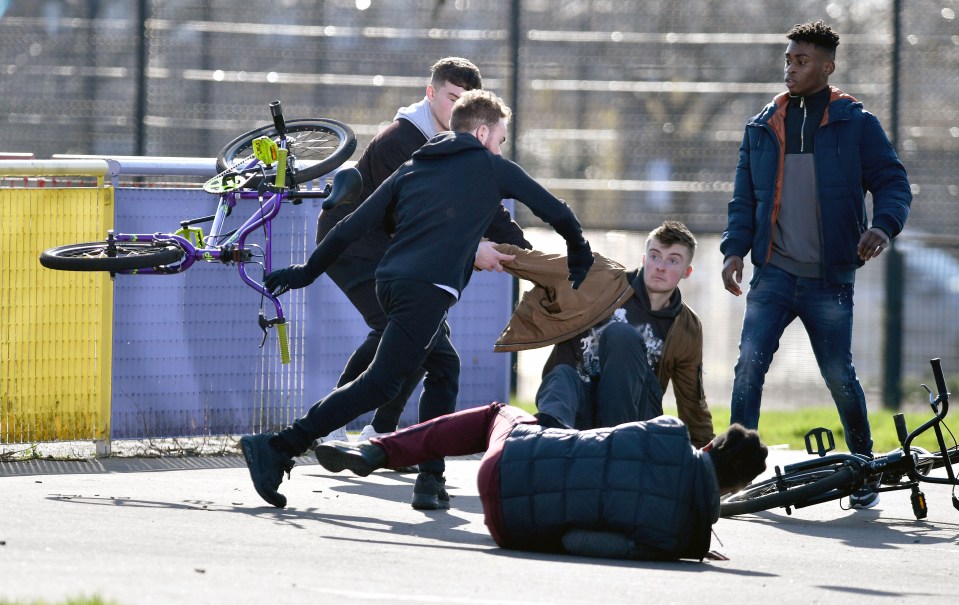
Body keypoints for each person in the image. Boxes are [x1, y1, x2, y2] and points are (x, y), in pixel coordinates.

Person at [240, 89, 594, 509]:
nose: (500, 146)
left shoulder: (415, 165)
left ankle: (430, 480)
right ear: (482, 133)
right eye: (500, 138)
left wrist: (305, 272)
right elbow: (557, 211)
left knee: (444, 367)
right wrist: (580, 254)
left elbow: (351, 226)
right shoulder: (491, 167)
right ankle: (279, 446)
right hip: (425, 291)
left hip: (390, 282)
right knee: (380, 383)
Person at [720, 20, 911, 509]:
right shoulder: (762, 125)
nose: (791, 67)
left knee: (838, 374)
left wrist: (882, 227)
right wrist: (733, 251)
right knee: (748, 370)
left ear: (828, 66)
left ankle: (865, 468)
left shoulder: (856, 123)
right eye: (788, 59)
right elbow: (744, 200)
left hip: (829, 279)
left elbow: (893, 182)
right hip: (774, 274)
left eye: (801, 60)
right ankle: (734, 473)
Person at [316, 57, 529, 444]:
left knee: (422, 334)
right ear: (430, 93)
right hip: (355, 248)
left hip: (396, 254)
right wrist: (472, 250)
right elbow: (413, 221)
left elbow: (489, 206)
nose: (457, 108)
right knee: (404, 332)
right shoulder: (400, 140)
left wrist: (529, 255)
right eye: (451, 97)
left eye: (467, 100)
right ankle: (333, 426)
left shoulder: (464, 145)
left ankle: (377, 431)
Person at [313, 403, 767, 561]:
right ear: (732, 491)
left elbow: (599, 443)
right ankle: (379, 450)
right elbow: (575, 539)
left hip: (512, 456)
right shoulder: (672, 540)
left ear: (710, 447)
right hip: (508, 524)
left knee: (496, 414)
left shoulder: (668, 429)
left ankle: (378, 449)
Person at [491, 220, 713, 447]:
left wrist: (708, 460)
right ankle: (548, 443)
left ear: (687, 271)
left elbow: (692, 400)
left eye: (673, 260)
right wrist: (472, 249)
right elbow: (534, 262)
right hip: (580, 405)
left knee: (620, 335)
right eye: (655, 256)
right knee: (561, 376)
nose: (661, 266)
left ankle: (616, 448)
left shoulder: (687, 326)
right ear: (644, 259)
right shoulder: (599, 275)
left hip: (634, 419)